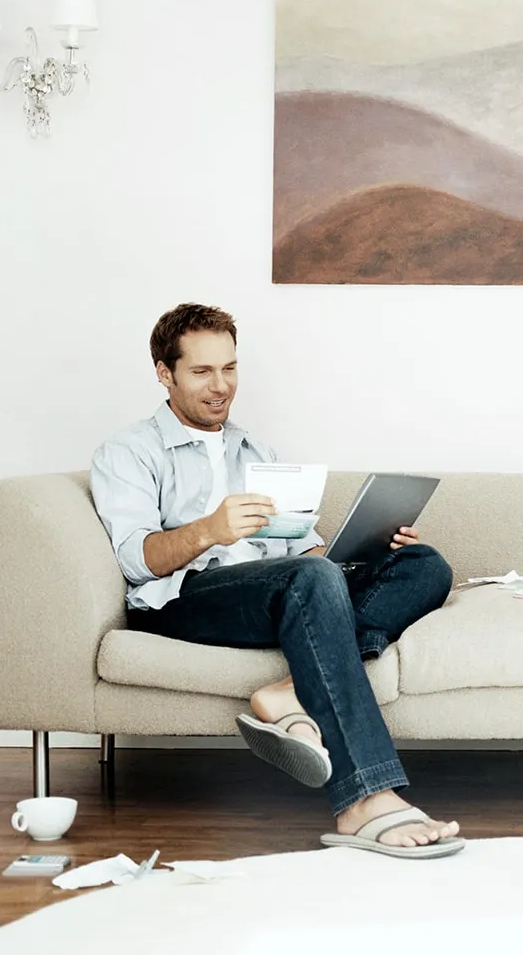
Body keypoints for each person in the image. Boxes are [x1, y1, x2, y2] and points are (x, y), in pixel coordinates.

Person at [90, 303, 463, 859]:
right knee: (310, 580)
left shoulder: (256, 450)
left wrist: (362, 555)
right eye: (202, 372)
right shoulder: (128, 452)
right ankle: (363, 798)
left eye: (230, 369)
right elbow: (136, 560)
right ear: (164, 373)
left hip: (279, 590)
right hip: (186, 600)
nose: (221, 387)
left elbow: (304, 551)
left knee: (425, 564)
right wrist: (209, 530)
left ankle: (287, 691)